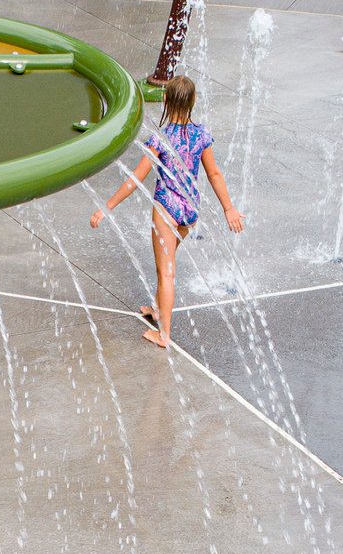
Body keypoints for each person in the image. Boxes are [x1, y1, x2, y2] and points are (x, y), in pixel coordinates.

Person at [88, 75, 244, 350]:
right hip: (189, 212)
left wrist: (106, 207)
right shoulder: (201, 135)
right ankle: (156, 307)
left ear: (166, 100)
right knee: (167, 262)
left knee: (166, 273)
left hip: (166, 211)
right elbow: (214, 174)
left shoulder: (161, 139)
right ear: (193, 101)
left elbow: (136, 178)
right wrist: (228, 208)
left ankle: (164, 334)